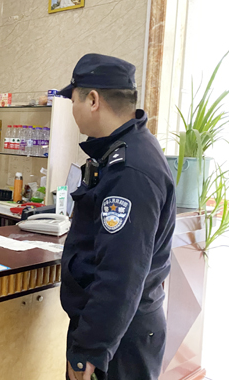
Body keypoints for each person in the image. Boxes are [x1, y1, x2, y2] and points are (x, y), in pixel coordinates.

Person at [58, 54, 176, 380]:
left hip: (118, 340)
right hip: (114, 330)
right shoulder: (124, 151)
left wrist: (89, 350)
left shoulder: (130, 171)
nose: (72, 109)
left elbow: (121, 272)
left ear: (93, 100)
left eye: (74, 99)